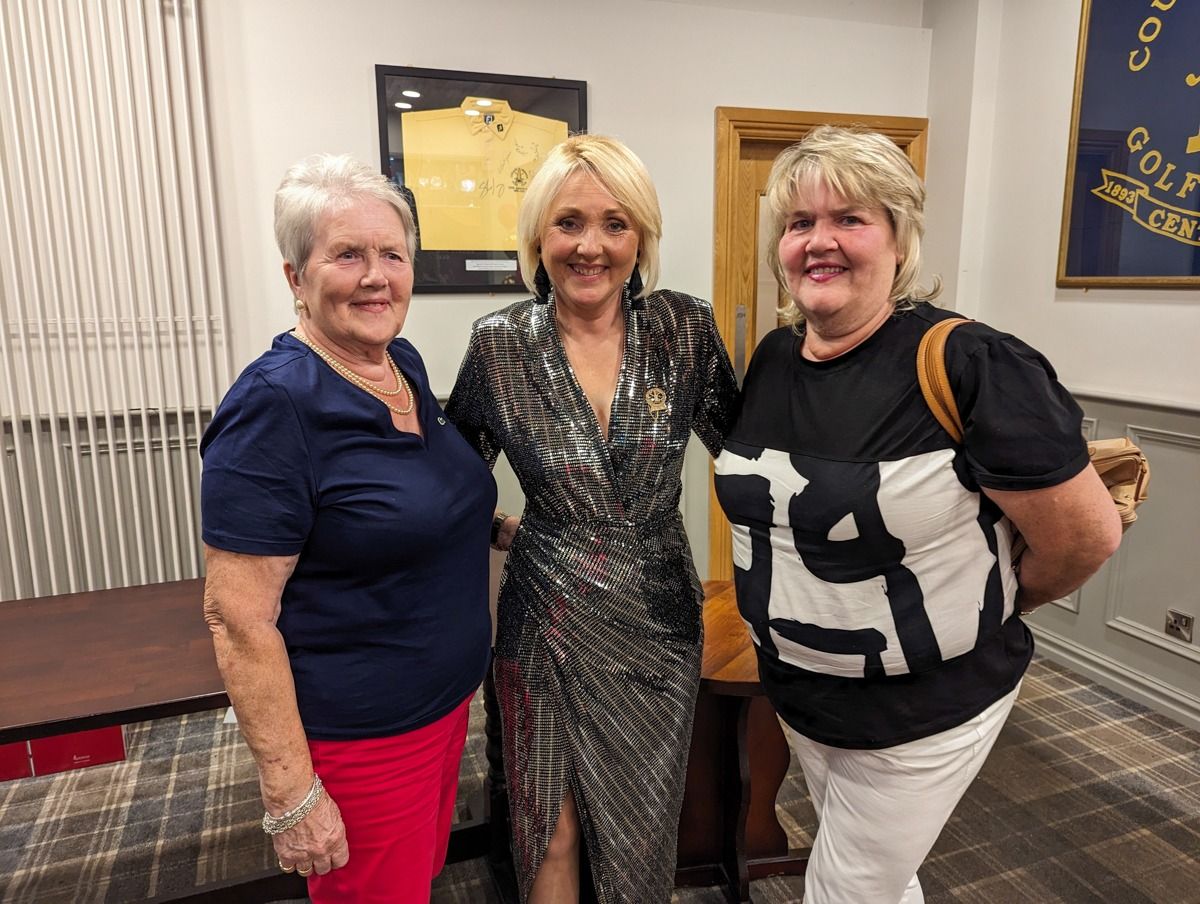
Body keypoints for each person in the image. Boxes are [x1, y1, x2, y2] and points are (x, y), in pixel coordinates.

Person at [714, 125, 1123, 904]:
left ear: (900, 241)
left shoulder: (972, 363)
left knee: (842, 889)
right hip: (800, 696)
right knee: (880, 875)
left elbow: (1083, 539)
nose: (819, 242)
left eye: (850, 219)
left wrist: (984, 605)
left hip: (921, 711)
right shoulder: (773, 358)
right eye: (800, 223)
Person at [446, 134, 739, 903]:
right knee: (550, 824)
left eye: (615, 223)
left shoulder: (684, 330)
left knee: (639, 833)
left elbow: (749, 453)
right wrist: (503, 528)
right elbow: (447, 481)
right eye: (569, 222)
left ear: (641, 236)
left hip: (656, 619)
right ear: (538, 237)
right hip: (543, 618)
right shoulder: (500, 345)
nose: (591, 246)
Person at [200, 154, 495, 903]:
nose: (375, 277)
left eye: (392, 254)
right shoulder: (274, 407)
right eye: (347, 255)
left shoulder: (399, 363)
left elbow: (409, 505)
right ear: (296, 277)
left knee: (417, 880)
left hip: (444, 709)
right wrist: (291, 793)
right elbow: (237, 618)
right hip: (363, 737)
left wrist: (506, 528)